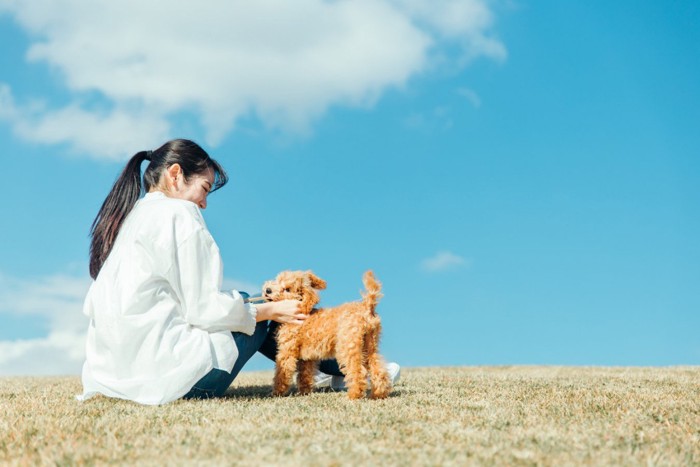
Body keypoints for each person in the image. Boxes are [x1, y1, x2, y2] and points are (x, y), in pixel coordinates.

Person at [79, 138, 398, 405]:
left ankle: (333, 367)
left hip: (113, 379)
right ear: (175, 175)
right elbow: (204, 310)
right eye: (204, 188)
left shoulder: (129, 220)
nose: (204, 202)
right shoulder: (180, 213)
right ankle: (346, 368)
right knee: (258, 307)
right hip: (170, 382)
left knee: (251, 305)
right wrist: (270, 308)